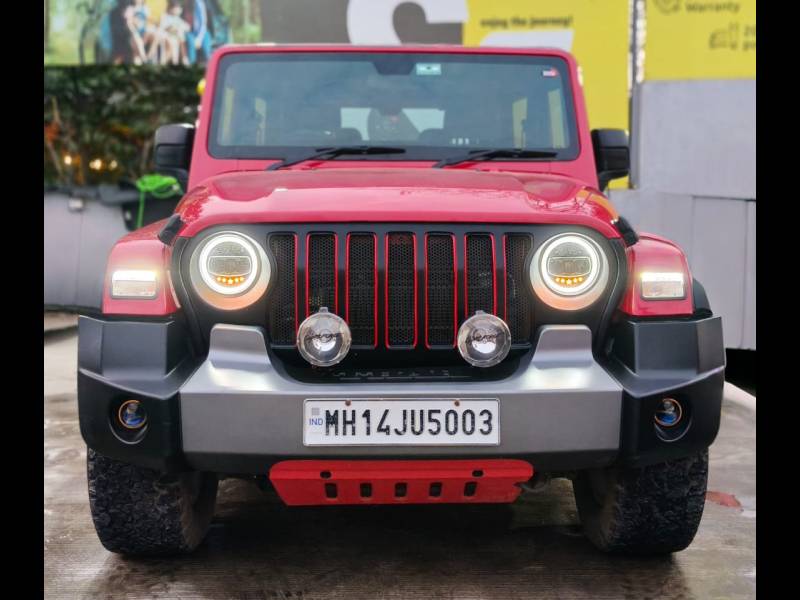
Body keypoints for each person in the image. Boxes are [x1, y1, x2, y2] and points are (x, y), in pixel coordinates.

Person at [151, 0, 191, 65]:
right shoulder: (165, 16)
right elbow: (162, 28)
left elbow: (187, 27)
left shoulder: (178, 19)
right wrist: (170, 29)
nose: (178, 10)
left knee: (180, 36)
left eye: (179, 8)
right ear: (171, 8)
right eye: (176, 8)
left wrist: (178, 29)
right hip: (165, 37)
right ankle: (183, 58)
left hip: (175, 38)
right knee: (175, 40)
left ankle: (184, 58)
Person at [185, 0, 212, 65]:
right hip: (191, 31)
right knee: (191, 42)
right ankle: (192, 64)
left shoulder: (199, 3)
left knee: (207, 49)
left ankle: (209, 64)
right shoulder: (186, 4)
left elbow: (203, 23)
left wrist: (199, 39)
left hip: (202, 31)